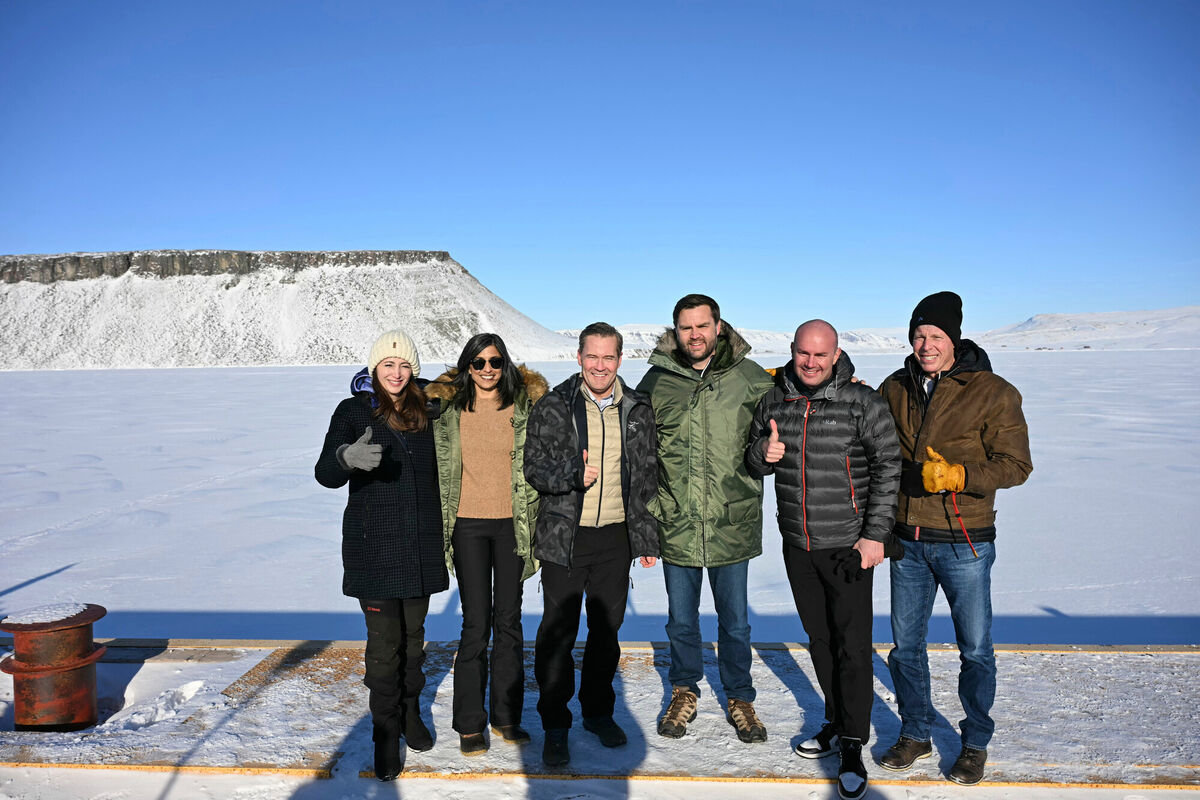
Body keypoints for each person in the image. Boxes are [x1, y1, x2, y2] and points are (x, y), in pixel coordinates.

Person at [877, 292, 1032, 786]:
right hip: (908, 540)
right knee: (905, 648)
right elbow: (867, 434)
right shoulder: (894, 386)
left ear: (954, 340)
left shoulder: (993, 391)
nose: (926, 345)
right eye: (919, 335)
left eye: (936, 336)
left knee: (976, 649)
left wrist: (959, 476)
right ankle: (916, 733)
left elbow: (1016, 465)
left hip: (965, 541)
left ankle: (975, 742)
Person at [745, 320, 900, 800]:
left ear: (835, 355)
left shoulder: (862, 403)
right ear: (792, 351)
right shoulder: (776, 401)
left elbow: (888, 465)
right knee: (819, 640)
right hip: (799, 544)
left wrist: (875, 537)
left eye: (820, 355)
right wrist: (763, 453)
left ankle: (854, 743)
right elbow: (751, 459)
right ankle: (835, 721)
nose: (810, 363)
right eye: (803, 354)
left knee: (853, 646)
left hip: (848, 546)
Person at [636, 294, 774, 744]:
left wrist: (850, 382)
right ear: (675, 331)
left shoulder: (749, 378)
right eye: (685, 327)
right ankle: (684, 690)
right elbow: (638, 454)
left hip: (730, 520)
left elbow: (797, 400)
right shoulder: (657, 382)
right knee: (680, 620)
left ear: (718, 326)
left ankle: (739, 696)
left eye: (702, 326)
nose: (694, 335)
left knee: (735, 622)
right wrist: (647, 520)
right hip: (676, 521)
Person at [523, 322, 659, 767]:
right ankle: (555, 723)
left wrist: (646, 535)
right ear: (578, 358)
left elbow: (646, 475)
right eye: (592, 357)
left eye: (608, 357)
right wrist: (571, 478)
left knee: (606, 633)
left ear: (620, 360)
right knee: (557, 634)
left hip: (615, 537)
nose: (600, 366)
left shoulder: (637, 407)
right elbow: (533, 469)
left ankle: (598, 712)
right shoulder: (554, 405)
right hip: (567, 536)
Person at [315, 329, 449, 782]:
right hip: (374, 549)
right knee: (383, 648)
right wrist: (345, 456)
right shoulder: (353, 411)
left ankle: (411, 713)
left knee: (414, 643)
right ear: (374, 369)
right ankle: (385, 731)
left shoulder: (429, 412)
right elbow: (324, 473)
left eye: (404, 365)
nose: (396, 373)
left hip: (419, 546)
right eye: (388, 365)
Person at [423, 333, 546, 756]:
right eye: (478, 362)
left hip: (514, 525)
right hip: (468, 526)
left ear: (505, 363)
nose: (487, 369)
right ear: (466, 367)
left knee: (509, 623)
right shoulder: (447, 408)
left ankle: (507, 716)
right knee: (476, 624)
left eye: (495, 361)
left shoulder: (525, 406)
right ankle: (469, 723)